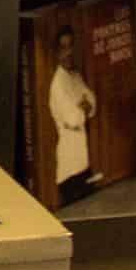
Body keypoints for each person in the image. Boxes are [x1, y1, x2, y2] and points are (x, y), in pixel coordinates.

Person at [49, 24, 98, 207]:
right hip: (69, 162)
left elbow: (92, 103)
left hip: (82, 155)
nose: (68, 52)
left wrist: (85, 104)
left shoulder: (75, 76)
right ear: (56, 52)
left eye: (71, 46)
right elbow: (74, 117)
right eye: (63, 47)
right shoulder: (57, 84)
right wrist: (83, 104)